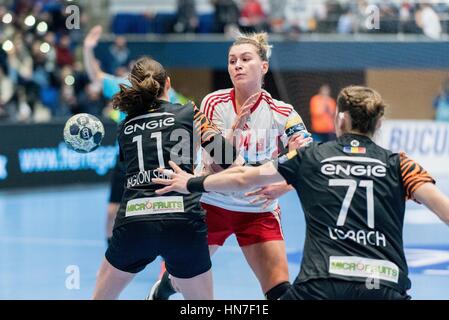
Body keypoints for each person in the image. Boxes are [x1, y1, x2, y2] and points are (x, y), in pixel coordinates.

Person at [153, 85, 449, 300]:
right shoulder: (401, 165)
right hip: (385, 286)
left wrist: (190, 183)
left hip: (322, 285)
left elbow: (243, 178)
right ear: (379, 124)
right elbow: (443, 209)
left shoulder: (312, 158)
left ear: (339, 120)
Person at [149, 32, 309, 300]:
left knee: (281, 293)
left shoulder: (282, 112)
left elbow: (306, 157)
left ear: (264, 67)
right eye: (232, 60)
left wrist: (284, 186)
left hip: (258, 209)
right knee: (178, 280)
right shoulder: (215, 102)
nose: (238, 65)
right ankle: (160, 291)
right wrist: (234, 132)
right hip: (212, 203)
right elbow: (216, 162)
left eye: (246, 59)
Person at [92, 56, 238, 299]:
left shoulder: (125, 125)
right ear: (167, 83)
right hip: (182, 222)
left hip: (134, 223)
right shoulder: (189, 112)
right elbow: (227, 159)